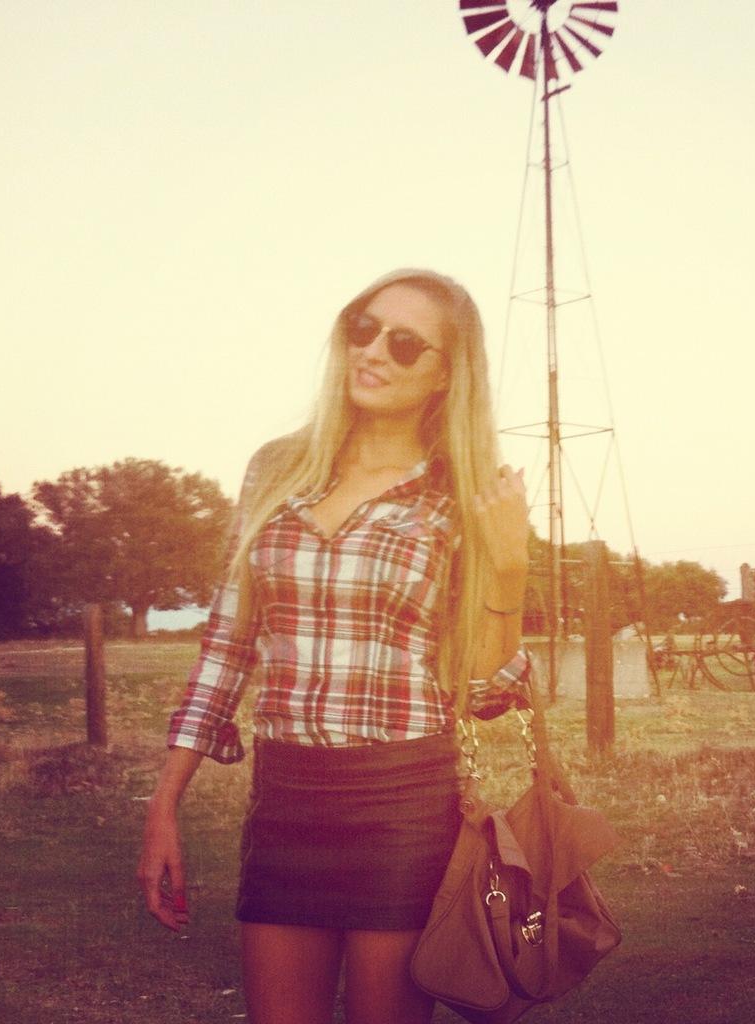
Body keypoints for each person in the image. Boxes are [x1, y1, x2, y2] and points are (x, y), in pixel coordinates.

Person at [137, 268, 532, 1024]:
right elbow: (228, 644)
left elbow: (485, 691)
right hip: (285, 800)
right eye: (363, 327)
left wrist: (509, 568)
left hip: (402, 805)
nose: (373, 350)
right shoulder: (277, 468)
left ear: (446, 374)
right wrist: (165, 801)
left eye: (405, 342)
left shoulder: (462, 491)